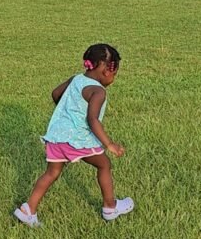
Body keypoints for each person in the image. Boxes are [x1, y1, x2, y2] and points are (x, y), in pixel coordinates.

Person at [13, 43, 134, 227]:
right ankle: (110, 207)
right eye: (114, 72)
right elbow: (93, 120)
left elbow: (55, 94)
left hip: (56, 136)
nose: (114, 78)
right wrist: (109, 144)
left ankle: (28, 209)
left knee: (52, 172)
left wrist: (68, 110)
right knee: (104, 165)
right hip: (77, 140)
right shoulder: (98, 91)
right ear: (104, 68)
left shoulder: (76, 79)